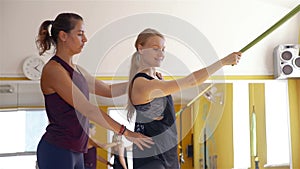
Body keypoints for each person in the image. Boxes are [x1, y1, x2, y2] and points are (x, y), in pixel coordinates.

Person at [35, 13, 153, 169]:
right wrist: (126, 133)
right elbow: (88, 109)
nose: (85, 39)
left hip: (77, 149)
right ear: (63, 36)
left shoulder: (78, 70)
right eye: (80, 34)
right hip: (58, 149)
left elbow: (109, 91)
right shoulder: (54, 70)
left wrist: (141, 80)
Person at [126, 28, 242, 169]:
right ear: (141, 49)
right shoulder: (143, 83)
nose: (161, 54)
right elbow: (189, 81)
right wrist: (223, 62)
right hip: (153, 158)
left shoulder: (155, 79)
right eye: (155, 49)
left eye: (163, 49)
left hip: (167, 154)